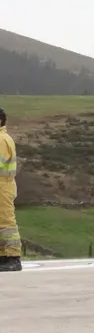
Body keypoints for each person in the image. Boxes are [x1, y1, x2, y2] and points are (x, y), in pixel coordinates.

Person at [0, 108, 21, 272]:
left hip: (3, 186)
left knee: (6, 223)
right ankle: (3, 256)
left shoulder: (1, 140)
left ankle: (13, 257)